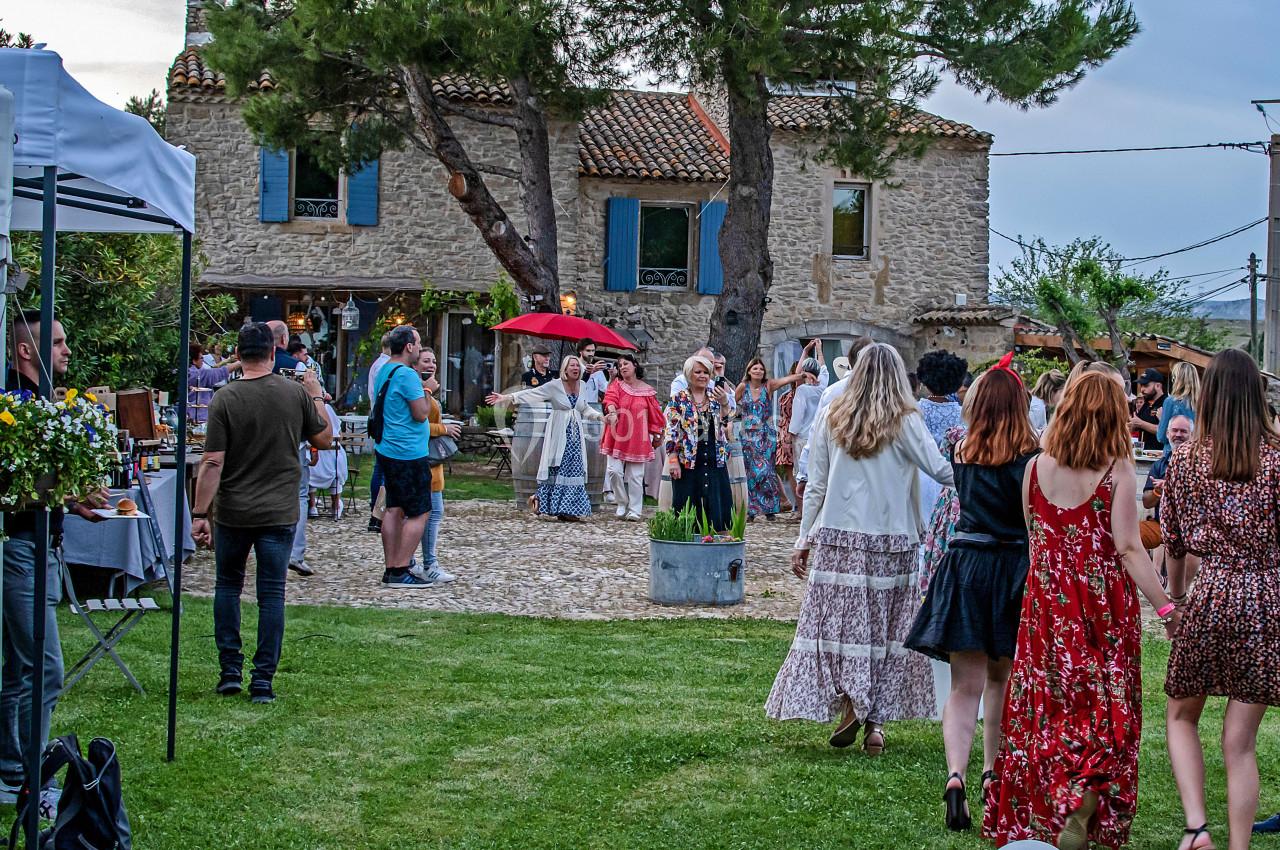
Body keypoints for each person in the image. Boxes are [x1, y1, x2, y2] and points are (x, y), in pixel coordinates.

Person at [983, 371, 1179, 850]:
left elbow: (1035, 538)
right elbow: (1129, 548)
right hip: (1101, 606)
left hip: (1046, 605)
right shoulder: (1117, 469)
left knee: (1047, 706)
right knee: (1104, 704)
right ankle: (1087, 791)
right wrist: (1167, 609)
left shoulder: (1035, 468)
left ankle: (1051, 804)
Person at [766, 343, 953, 754]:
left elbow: (816, 484)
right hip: (893, 539)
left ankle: (853, 700)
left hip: (839, 537)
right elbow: (940, 469)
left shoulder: (833, 415)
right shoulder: (906, 419)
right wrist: (989, 468)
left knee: (841, 628)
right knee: (887, 630)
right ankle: (875, 724)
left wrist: (803, 538)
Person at [904, 364, 1040, 832]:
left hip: (965, 563)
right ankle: (991, 772)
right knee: (1000, 680)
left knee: (964, 688)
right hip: (1012, 568)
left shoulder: (960, 449)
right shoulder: (1032, 459)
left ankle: (955, 774)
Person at [1161, 349, 1280, 850]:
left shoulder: (1186, 461)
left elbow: (1173, 539)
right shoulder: (1276, 460)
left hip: (1211, 592)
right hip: (1265, 598)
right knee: (1240, 741)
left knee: (1181, 714)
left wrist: (1175, 599)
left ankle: (1197, 826)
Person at [190, 322, 331, 703]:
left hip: (233, 509)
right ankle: (263, 679)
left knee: (227, 586)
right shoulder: (293, 393)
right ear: (273, 353)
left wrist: (200, 513)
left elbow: (212, 461)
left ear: (238, 355)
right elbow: (323, 438)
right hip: (278, 510)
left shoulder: (225, 398)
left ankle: (229, 670)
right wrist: (316, 395)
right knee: (271, 594)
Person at [1, 310, 108, 810]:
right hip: (20, 548)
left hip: (36, 546)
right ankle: (30, 779)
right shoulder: (14, 406)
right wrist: (65, 493)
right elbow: (13, 490)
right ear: (26, 350)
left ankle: (10, 768)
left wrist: (71, 498)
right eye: (58, 342)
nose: (67, 350)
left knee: (19, 671)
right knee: (45, 670)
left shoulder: (38, 402)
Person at [487, 355, 605, 520]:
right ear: (565, 369)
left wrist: (600, 417)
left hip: (575, 436)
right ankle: (544, 502)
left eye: (577, 366)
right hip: (559, 432)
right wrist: (508, 397)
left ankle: (567, 509)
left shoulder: (583, 386)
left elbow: (584, 408)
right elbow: (532, 393)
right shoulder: (555, 385)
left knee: (574, 469)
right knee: (557, 468)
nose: (575, 368)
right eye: (572, 365)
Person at [369, 325, 440, 585]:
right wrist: (428, 389)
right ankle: (401, 568)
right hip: (408, 452)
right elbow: (420, 413)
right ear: (409, 346)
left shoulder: (385, 369)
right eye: (418, 343)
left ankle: (391, 568)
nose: (420, 347)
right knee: (420, 511)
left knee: (393, 509)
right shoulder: (408, 375)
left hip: (387, 448)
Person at [663, 354, 734, 531]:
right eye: (698, 372)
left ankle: (717, 540)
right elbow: (671, 433)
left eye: (706, 372)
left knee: (717, 505)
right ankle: (688, 540)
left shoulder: (716, 396)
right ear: (689, 374)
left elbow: (727, 423)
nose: (703, 376)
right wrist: (673, 461)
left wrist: (725, 403)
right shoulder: (678, 399)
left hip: (714, 459)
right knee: (687, 504)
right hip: (688, 461)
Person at [736, 357, 808, 520]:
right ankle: (751, 511)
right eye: (755, 368)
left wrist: (803, 375)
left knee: (767, 471)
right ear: (749, 371)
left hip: (765, 435)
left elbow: (786, 379)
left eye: (761, 369)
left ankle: (770, 509)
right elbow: (731, 405)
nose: (758, 371)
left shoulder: (768, 385)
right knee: (750, 472)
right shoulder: (743, 387)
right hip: (747, 437)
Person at [600, 353, 662, 521]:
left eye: (625, 363)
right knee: (613, 471)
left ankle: (635, 509)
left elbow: (655, 414)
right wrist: (612, 412)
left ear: (635, 365)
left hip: (638, 436)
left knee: (635, 475)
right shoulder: (617, 385)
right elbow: (610, 400)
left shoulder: (647, 391)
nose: (622, 367)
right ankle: (622, 501)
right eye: (620, 365)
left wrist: (658, 434)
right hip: (616, 433)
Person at [417, 346, 462, 583]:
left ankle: (422, 562)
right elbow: (418, 423)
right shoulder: (419, 390)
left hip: (433, 463)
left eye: (434, 361)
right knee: (431, 513)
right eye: (426, 361)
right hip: (423, 459)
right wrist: (443, 428)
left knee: (433, 512)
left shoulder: (429, 390)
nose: (431, 365)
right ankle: (428, 563)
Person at [784, 351, 829, 520]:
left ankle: (804, 511)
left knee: (802, 474)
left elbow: (798, 415)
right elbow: (824, 370)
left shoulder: (802, 390)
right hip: (819, 435)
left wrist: (789, 435)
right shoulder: (824, 387)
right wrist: (819, 349)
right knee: (818, 473)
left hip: (803, 436)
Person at [1140, 414, 1193, 552]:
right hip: (1161, 525)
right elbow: (1146, 502)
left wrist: (1172, 486)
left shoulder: (1199, 464)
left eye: (1183, 431)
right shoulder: (1159, 465)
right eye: (1174, 430)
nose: (1178, 434)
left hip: (1192, 527)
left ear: (1192, 436)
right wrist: (1158, 491)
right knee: (1130, 537)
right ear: (1167, 434)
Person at [366, 332, 393, 532]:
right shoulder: (385, 366)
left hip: (377, 417)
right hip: (384, 420)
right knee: (382, 469)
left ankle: (377, 509)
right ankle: (378, 510)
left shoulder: (377, 364)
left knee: (380, 467)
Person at [307, 401, 347, 520]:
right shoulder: (327, 408)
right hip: (331, 461)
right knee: (336, 469)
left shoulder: (307, 408)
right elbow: (339, 436)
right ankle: (335, 505)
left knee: (310, 471)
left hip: (312, 460)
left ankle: (312, 506)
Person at [187, 343, 240, 425]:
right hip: (197, 416)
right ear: (194, 361)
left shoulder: (189, 372)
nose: (203, 360)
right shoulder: (195, 374)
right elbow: (218, 373)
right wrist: (240, 362)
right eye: (201, 358)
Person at [1157, 361, 1199, 456]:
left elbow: (1162, 437)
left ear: (1176, 380)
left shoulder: (1171, 402)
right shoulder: (1203, 404)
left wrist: (1161, 419)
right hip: (1195, 455)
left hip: (1173, 454)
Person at [1130, 366, 1166, 452]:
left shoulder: (1166, 403)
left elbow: (1166, 431)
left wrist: (1141, 423)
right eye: (1141, 385)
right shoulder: (1147, 403)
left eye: (1146, 385)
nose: (1142, 389)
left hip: (1159, 454)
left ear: (1158, 386)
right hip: (1142, 453)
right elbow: (1136, 424)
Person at [576, 338, 611, 405]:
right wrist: (590, 372)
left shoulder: (597, 369)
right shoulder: (575, 366)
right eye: (588, 351)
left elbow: (606, 389)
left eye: (593, 351)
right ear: (580, 351)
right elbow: (576, 385)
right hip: (577, 406)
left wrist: (612, 377)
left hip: (592, 407)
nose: (591, 354)